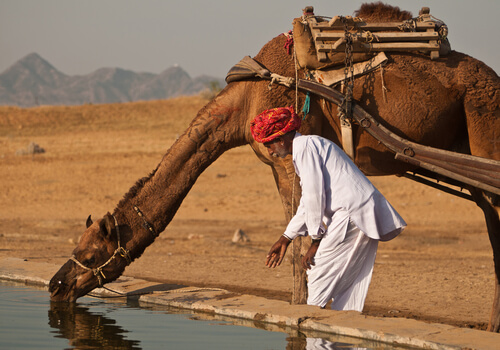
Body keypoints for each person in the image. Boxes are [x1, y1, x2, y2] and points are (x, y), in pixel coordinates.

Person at [250, 106, 406, 311]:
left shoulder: (306, 147)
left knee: (318, 271)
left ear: (282, 139)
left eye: (269, 145)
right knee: (346, 280)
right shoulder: (308, 147)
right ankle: (337, 335)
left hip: (351, 213)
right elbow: (308, 201)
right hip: (354, 212)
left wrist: (316, 240)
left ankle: (313, 328)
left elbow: (315, 196)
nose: (270, 151)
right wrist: (285, 238)